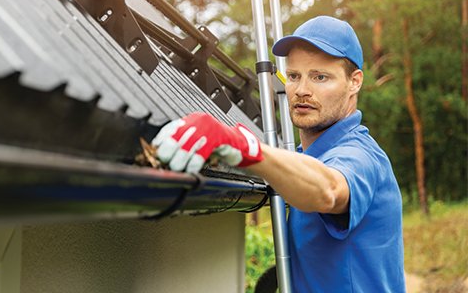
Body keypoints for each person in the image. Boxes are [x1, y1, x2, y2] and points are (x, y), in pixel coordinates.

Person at [151, 16, 406, 292]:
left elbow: (329, 190)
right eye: (294, 76)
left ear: (354, 82)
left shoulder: (361, 155)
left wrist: (245, 148)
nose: (302, 90)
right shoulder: (306, 157)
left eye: (320, 77)